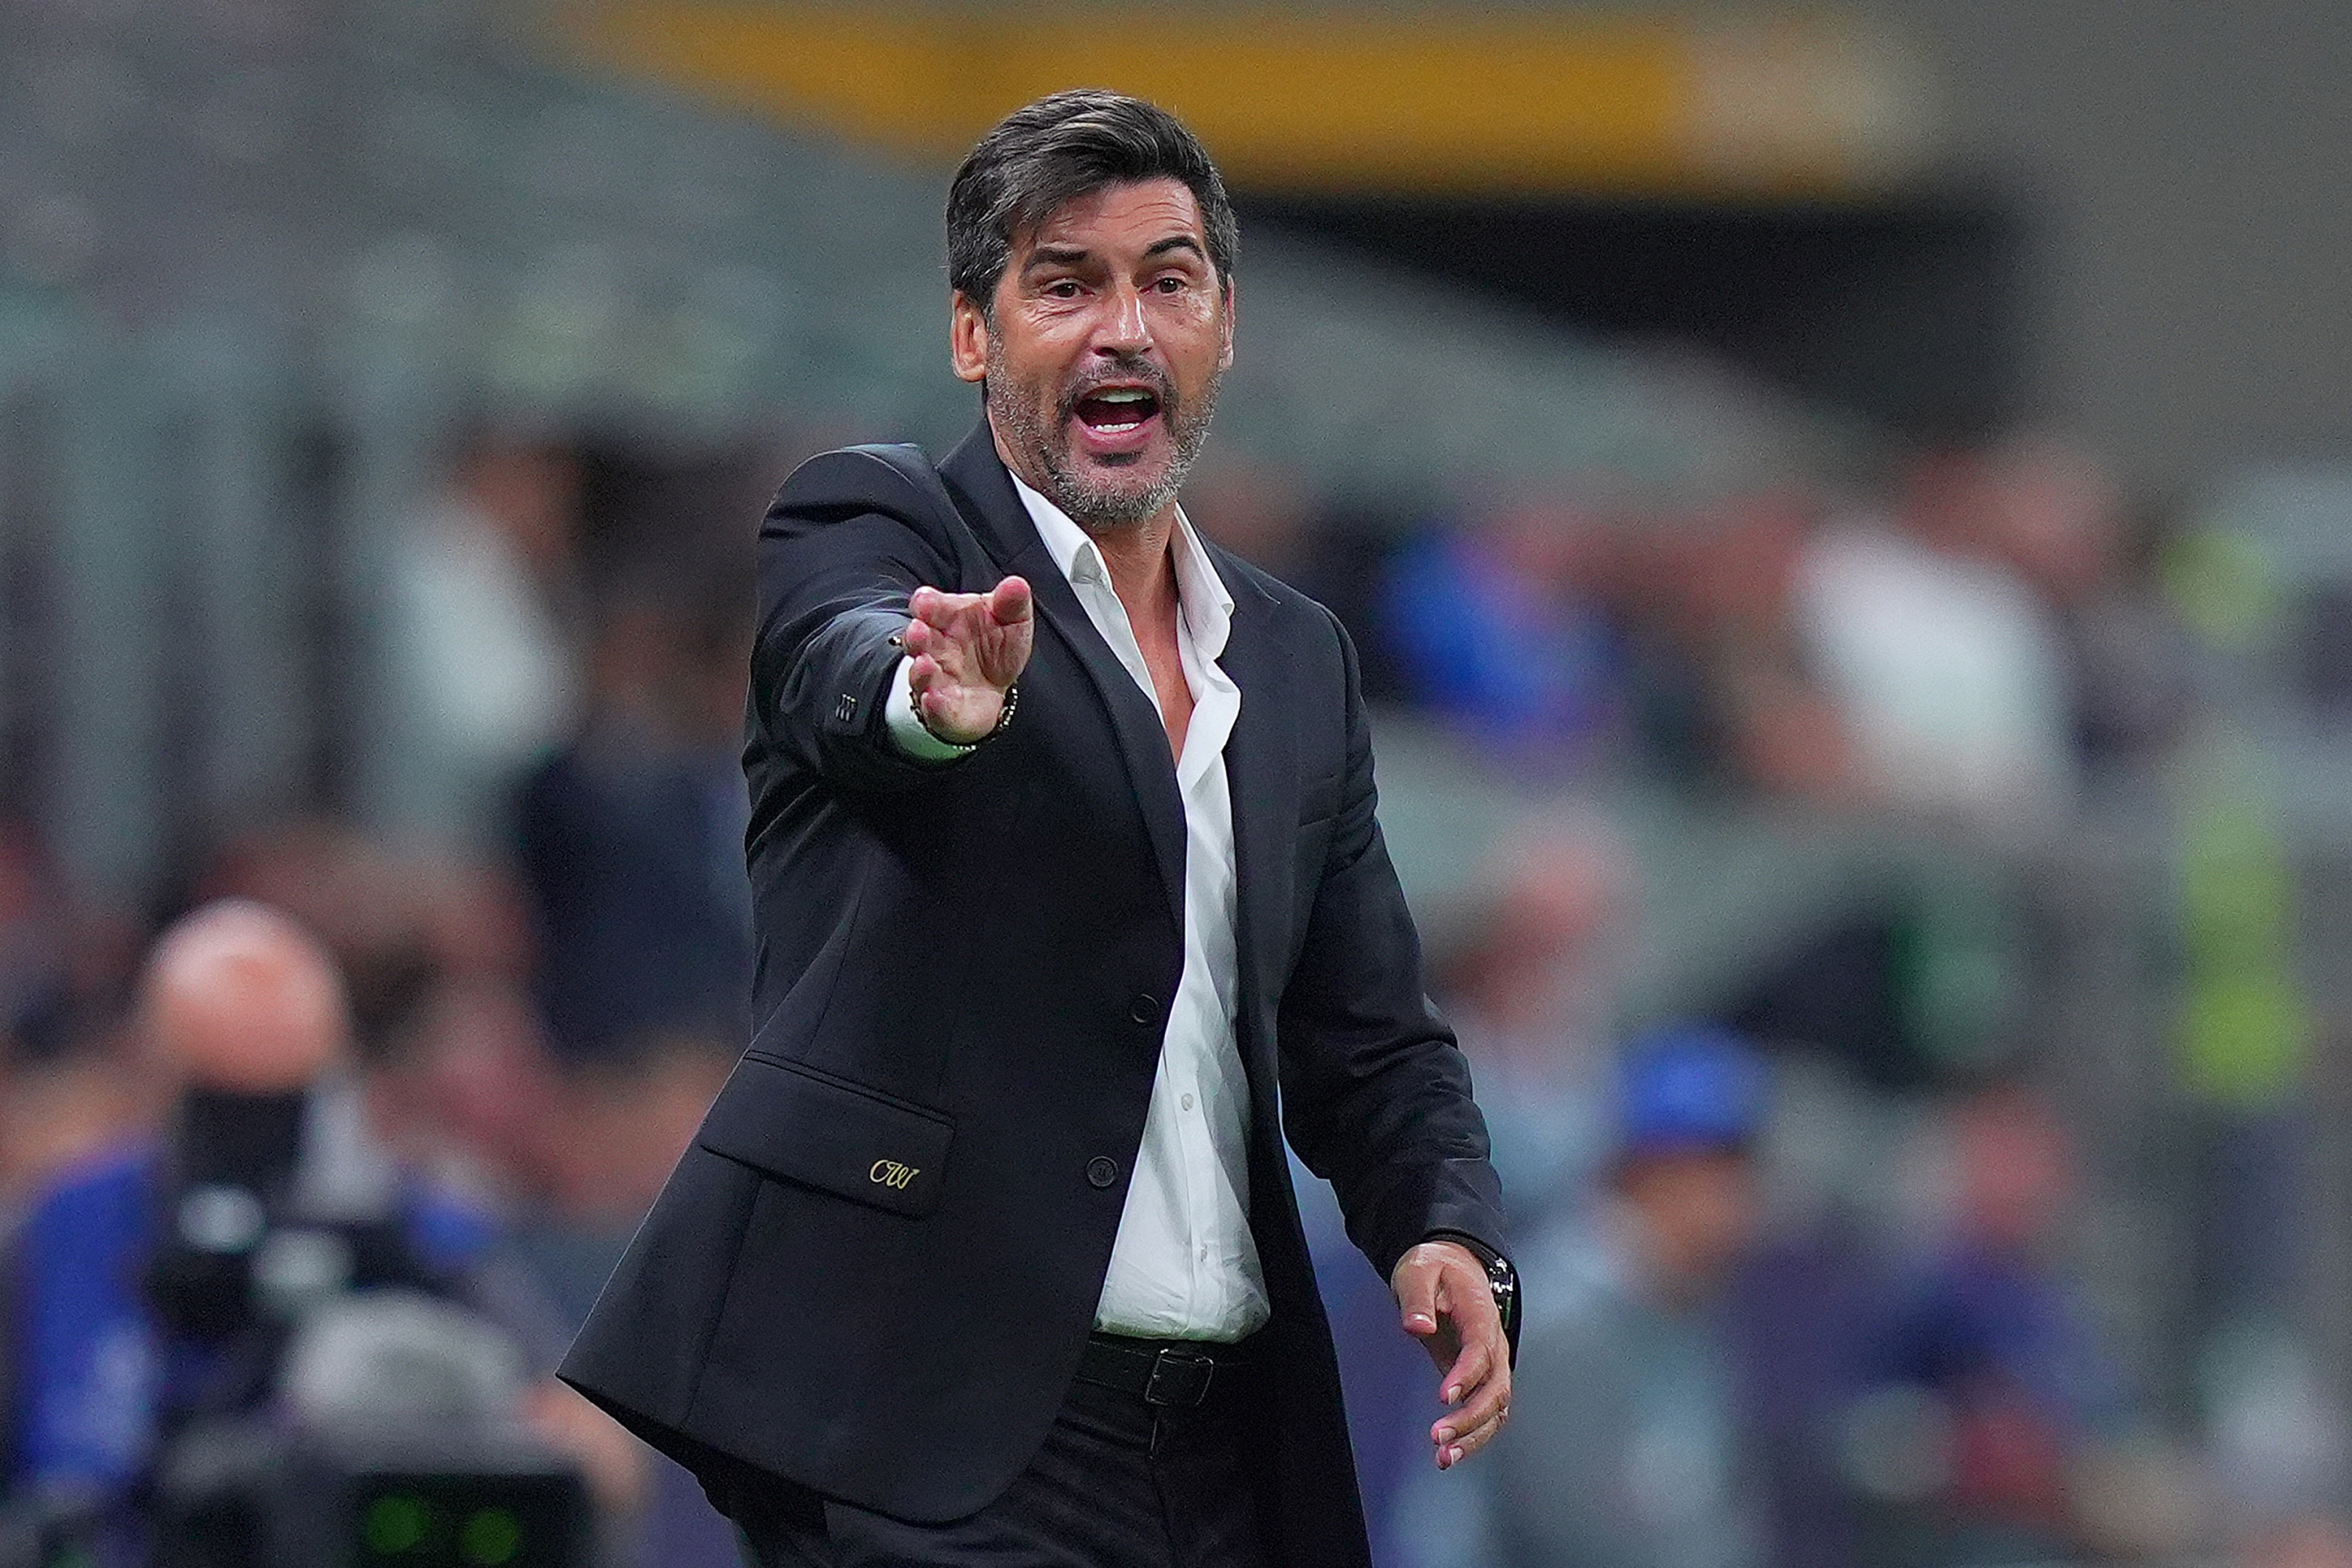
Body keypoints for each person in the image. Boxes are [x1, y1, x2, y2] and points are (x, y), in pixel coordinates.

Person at [559, 90, 1516, 1568]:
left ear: (1222, 326)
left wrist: (1440, 1226)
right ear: (973, 335)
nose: (1123, 326)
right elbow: (843, 671)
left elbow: (1370, 1031)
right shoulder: (876, 524)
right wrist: (937, 703)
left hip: (1220, 1443)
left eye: (1168, 279)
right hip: (930, 1420)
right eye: (1065, 284)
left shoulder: (1298, 656)